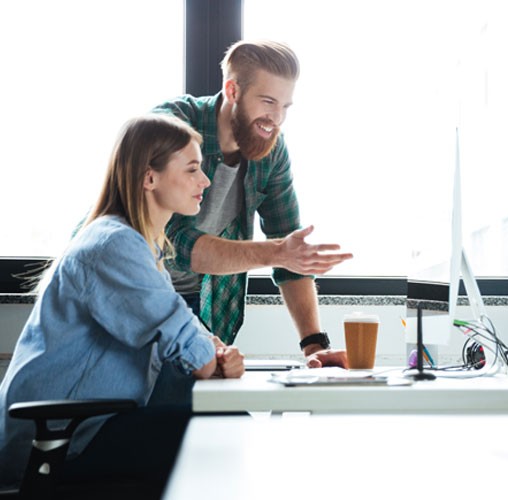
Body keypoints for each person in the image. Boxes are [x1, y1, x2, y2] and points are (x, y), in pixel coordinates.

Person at [0, 114, 245, 493]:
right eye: (193, 169)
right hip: (62, 441)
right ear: (150, 178)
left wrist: (213, 351)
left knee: (223, 426)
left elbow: (180, 328)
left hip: (89, 428)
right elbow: (182, 336)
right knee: (224, 432)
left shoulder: (141, 246)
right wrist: (211, 359)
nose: (206, 181)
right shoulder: (114, 244)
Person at [152, 39, 353, 373]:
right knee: (191, 411)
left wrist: (314, 347)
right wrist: (277, 252)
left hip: (196, 304)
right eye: (268, 101)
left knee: (225, 410)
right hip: (135, 295)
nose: (276, 118)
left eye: (286, 106)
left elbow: (289, 248)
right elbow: (174, 244)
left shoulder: (271, 151)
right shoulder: (173, 127)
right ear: (232, 90)